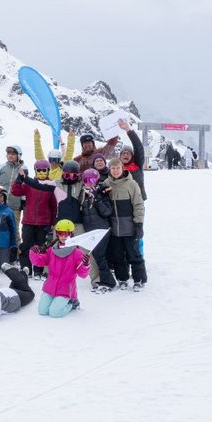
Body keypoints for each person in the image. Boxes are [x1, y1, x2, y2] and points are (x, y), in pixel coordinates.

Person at [29, 219, 91, 317]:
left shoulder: (77, 253)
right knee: (42, 311)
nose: (63, 236)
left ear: (71, 234)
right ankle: (56, 300)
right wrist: (33, 253)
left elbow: (82, 275)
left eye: (67, 233)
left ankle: (72, 303)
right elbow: (39, 261)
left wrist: (86, 265)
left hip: (65, 289)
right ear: (57, 234)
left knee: (54, 313)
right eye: (60, 233)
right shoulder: (51, 250)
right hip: (50, 286)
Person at [103, 158, 147, 291]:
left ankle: (139, 279)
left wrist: (138, 224)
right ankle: (122, 278)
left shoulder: (131, 184)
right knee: (117, 256)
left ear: (122, 168)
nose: (115, 171)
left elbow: (138, 205)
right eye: (113, 168)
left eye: (118, 168)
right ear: (110, 169)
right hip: (114, 229)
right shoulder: (106, 183)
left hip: (130, 227)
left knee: (134, 254)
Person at [10, 160, 59, 277]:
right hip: (29, 221)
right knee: (26, 245)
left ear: (48, 171)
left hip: (44, 222)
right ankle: (26, 268)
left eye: (44, 170)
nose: (41, 172)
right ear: (35, 171)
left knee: (41, 246)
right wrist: (18, 180)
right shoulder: (29, 184)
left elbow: (53, 206)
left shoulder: (51, 185)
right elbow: (16, 192)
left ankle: (38, 270)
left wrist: (53, 222)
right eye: (39, 170)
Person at [79, 169, 116, 293]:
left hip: (102, 229)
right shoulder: (83, 194)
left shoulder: (101, 193)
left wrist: (97, 198)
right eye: (86, 180)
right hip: (91, 231)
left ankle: (109, 282)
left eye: (92, 180)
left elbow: (107, 212)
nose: (89, 182)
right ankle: (104, 279)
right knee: (97, 255)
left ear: (97, 180)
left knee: (99, 256)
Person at [117, 119, 147, 200]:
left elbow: (138, 147)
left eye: (128, 153)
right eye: (123, 153)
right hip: (122, 201)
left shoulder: (137, 164)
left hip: (137, 200)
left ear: (132, 156)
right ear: (120, 157)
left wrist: (128, 130)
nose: (125, 154)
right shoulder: (115, 168)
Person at [54, 160, 85, 236]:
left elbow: (92, 182)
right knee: (60, 242)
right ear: (63, 174)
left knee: (79, 242)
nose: (70, 178)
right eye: (67, 176)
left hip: (77, 221)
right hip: (61, 220)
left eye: (74, 176)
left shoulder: (81, 184)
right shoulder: (56, 184)